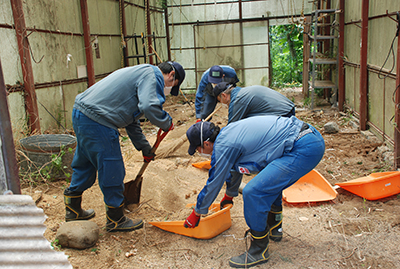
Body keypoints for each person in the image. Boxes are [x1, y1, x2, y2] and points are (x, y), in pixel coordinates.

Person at [183, 116, 325, 268]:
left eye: (198, 149)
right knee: (268, 180)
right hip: (306, 136)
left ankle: (259, 249)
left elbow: (213, 183)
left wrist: (197, 213)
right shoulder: (228, 134)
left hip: (303, 147)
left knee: (253, 192)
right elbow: (235, 167)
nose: (200, 152)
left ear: (206, 143)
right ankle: (274, 226)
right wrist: (229, 196)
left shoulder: (223, 146)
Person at [63, 61, 185, 232]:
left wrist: (144, 147)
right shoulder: (153, 74)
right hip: (99, 121)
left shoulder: (139, 73)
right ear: (171, 75)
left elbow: (131, 121)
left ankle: (72, 209)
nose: (166, 89)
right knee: (112, 167)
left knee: (85, 162)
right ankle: (115, 220)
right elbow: (149, 106)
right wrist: (166, 122)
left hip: (82, 114)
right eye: (171, 85)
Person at [213, 82, 295, 124]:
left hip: (283, 115)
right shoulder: (242, 91)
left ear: (224, 96)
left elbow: (231, 128)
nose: (222, 103)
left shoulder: (237, 100)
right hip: (288, 107)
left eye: (220, 101)